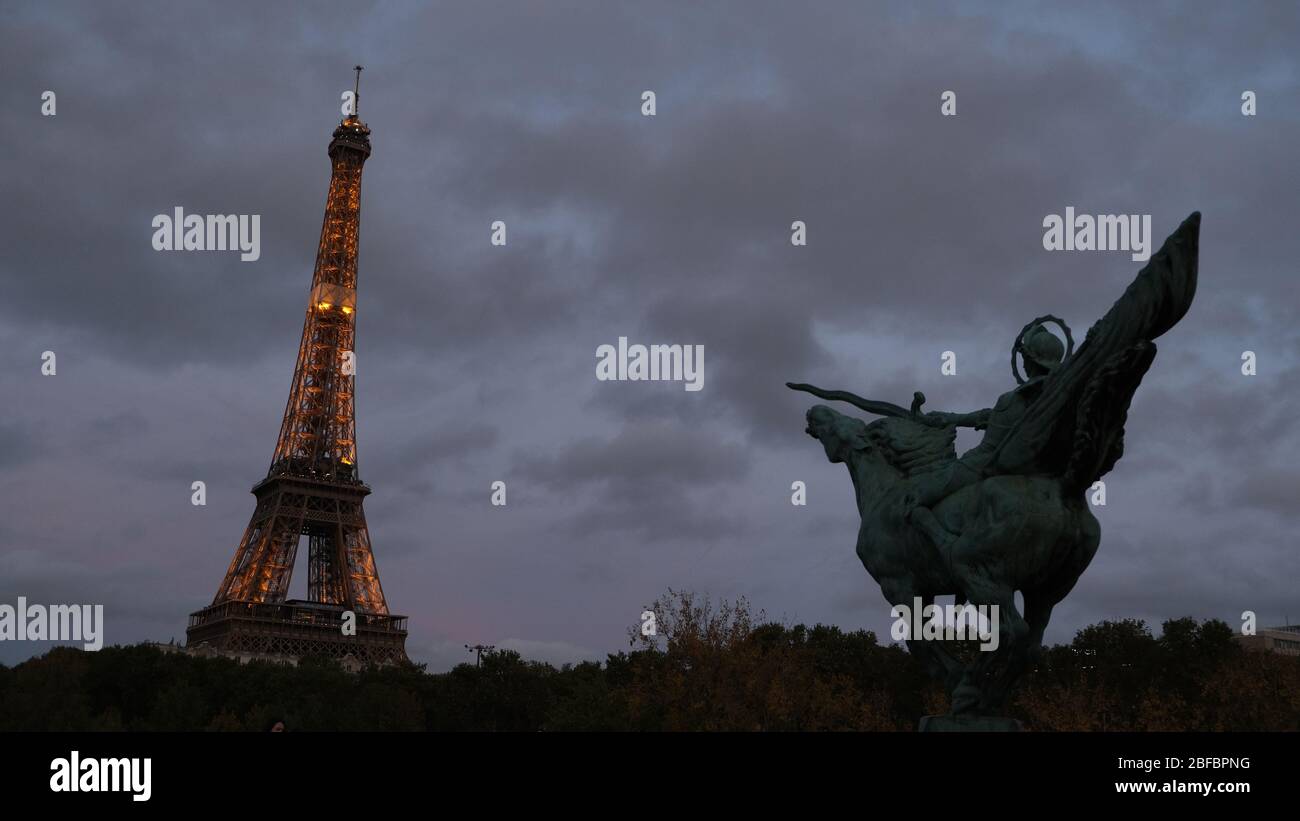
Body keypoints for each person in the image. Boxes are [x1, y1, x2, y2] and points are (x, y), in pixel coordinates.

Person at [904, 323, 1065, 551]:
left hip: (983, 463)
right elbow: (988, 416)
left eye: (1025, 357)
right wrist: (951, 418)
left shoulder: (1012, 400)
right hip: (1038, 471)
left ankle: (946, 547)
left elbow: (989, 441)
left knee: (917, 496)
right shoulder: (1054, 399)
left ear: (1030, 360)